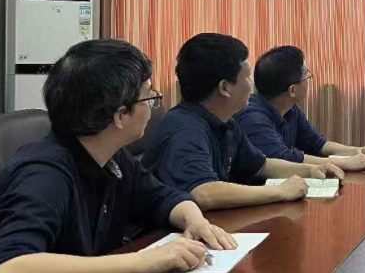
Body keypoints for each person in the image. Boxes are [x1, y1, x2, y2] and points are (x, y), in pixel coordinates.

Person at [0, 39, 237, 273]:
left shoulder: (110, 156)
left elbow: (161, 197)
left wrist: (194, 221)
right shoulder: (45, 174)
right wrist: (142, 261)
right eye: (149, 97)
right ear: (120, 115)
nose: (153, 106)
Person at [142, 33, 342, 211]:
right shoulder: (185, 128)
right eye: (247, 77)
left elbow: (261, 165)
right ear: (225, 88)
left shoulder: (226, 123)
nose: (252, 85)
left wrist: (311, 170)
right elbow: (203, 193)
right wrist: (280, 191)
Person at [236, 46, 365, 174]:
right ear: (293, 90)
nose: (309, 79)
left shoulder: (291, 108)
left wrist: (355, 151)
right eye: (306, 75)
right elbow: (283, 159)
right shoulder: (252, 118)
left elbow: (317, 144)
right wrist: (345, 163)